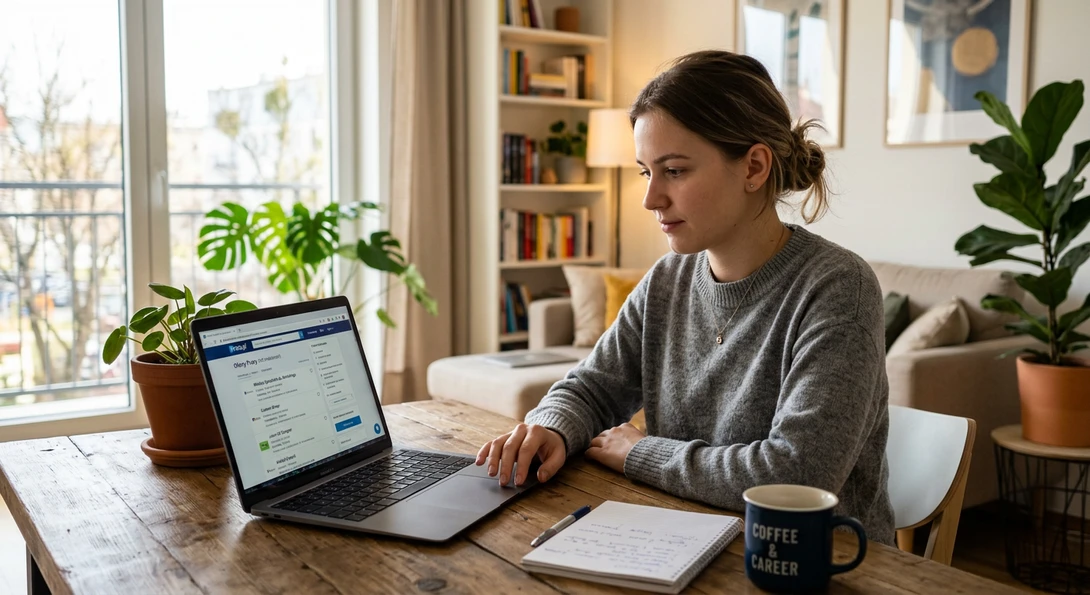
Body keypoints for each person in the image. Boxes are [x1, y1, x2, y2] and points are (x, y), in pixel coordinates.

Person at [475, 50, 896, 545]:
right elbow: (593, 388)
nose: (651, 199)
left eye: (673, 170)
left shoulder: (838, 287)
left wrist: (641, 453)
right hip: (681, 537)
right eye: (645, 172)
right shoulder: (668, 279)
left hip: (813, 564)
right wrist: (552, 427)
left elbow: (796, 475)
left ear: (754, 167)